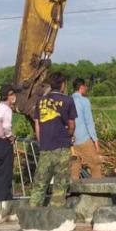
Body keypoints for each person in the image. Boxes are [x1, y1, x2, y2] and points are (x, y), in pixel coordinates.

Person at [30, 72, 77, 207]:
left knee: (40, 181)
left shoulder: (41, 101)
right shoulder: (68, 100)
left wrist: (41, 141)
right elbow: (72, 124)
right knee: (60, 182)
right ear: (63, 85)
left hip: (45, 146)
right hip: (62, 145)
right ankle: (56, 213)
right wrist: (69, 135)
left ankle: (33, 211)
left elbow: (37, 124)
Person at [70, 78, 102, 180]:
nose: (86, 88)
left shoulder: (67, 100)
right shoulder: (84, 101)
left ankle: (73, 192)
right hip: (84, 139)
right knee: (95, 165)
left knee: (74, 168)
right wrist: (95, 140)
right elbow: (89, 122)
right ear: (82, 87)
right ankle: (99, 191)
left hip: (71, 141)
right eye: (85, 86)